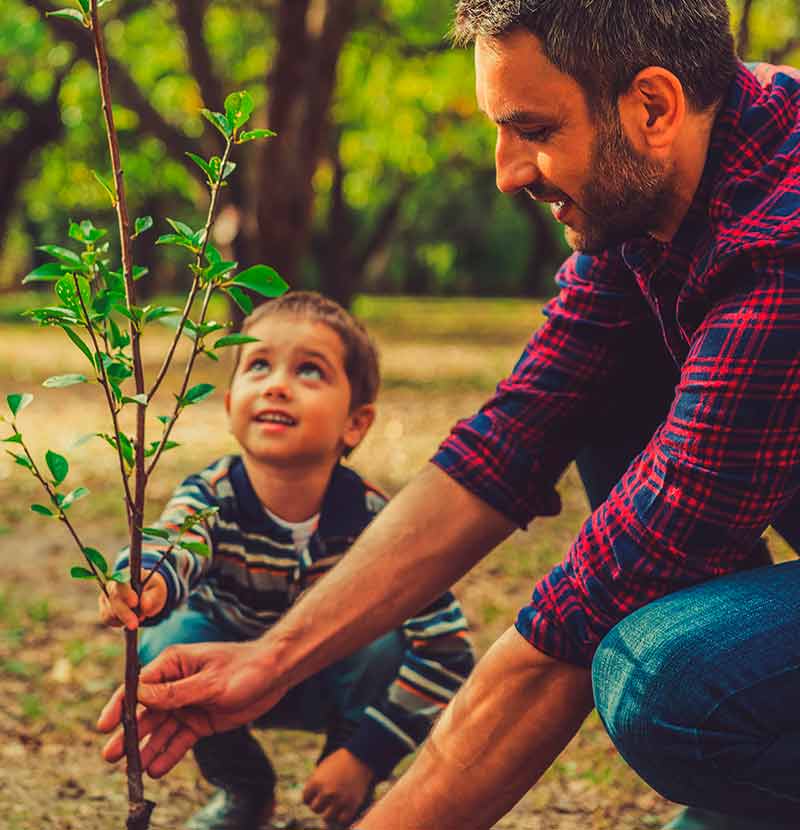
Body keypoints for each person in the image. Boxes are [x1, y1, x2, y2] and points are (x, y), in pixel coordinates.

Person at [98, 2, 800, 828]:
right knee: (605, 400)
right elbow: (513, 438)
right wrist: (271, 660)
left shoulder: (781, 243)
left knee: (666, 678)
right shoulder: (664, 184)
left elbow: (602, 593)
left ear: (652, 105)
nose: (506, 172)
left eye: (532, 129)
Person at [97, 291, 474, 830]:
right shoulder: (212, 496)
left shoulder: (378, 522)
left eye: (309, 371)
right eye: (258, 365)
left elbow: (448, 650)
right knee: (164, 643)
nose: (277, 384)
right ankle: (246, 789)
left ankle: (347, 788)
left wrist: (364, 756)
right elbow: (173, 542)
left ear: (356, 423)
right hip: (222, 682)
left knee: (384, 644)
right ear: (230, 406)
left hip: (333, 681)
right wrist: (144, 583)